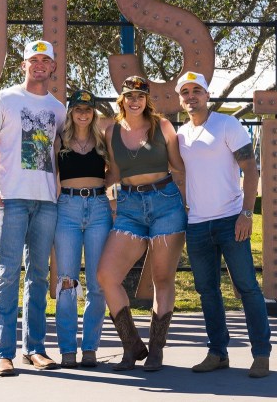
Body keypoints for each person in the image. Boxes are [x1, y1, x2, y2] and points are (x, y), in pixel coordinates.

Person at [0, 39, 66, 377]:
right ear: (23, 65)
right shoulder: (3, 99)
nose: (40, 65)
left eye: (46, 60)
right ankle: (1, 352)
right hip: (9, 199)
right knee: (8, 273)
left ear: (53, 67)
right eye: (34, 60)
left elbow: (61, 154)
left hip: (46, 202)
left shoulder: (58, 109)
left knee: (39, 276)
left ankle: (35, 349)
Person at [176, 72, 272, 379]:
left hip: (231, 220)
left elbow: (250, 169)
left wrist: (247, 213)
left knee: (247, 288)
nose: (191, 96)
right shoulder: (180, 135)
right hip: (197, 224)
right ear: (181, 99)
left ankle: (261, 354)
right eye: (186, 92)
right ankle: (218, 352)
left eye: (197, 91)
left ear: (207, 95)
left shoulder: (227, 124)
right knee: (207, 291)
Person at [97, 75, 186, 372]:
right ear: (122, 99)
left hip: (166, 203)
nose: (135, 100)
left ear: (147, 100)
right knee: (106, 275)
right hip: (129, 208)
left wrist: (189, 203)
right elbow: (115, 172)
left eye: (140, 96)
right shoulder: (111, 131)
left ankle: (157, 350)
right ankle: (132, 345)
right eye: (130, 95)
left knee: (162, 278)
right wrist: (91, 191)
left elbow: (179, 167)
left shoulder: (162, 126)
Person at [53, 89, 113, 369]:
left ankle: (90, 347)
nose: (83, 113)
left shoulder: (102, 139)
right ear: (71, 112)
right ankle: (67, 349)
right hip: (67, 208)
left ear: (93, 113)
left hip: (99, 208)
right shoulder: (59, 140)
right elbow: (51, 172)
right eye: (78, 109)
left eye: (88, 109)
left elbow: (116, 169)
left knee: (97, 283)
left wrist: (104, 187)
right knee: (67, 282)